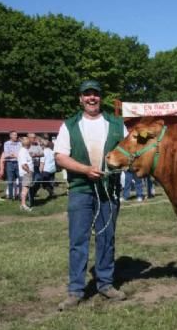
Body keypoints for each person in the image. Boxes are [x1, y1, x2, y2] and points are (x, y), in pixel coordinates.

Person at [54, 80, 128, 311]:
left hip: (109, 190)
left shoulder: (117, 124)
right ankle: (76, 290)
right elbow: (60, 157)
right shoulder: (69, 125)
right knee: (78, 240)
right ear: (80, 98)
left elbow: (128, 152)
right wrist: (86, 169)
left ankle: (105, 284)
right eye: (87, 94)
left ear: (100, 97)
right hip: (80, 190)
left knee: (106, 239)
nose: (91, 98)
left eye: (95, 94)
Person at [3, 131, 21, 200]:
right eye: (14, 135)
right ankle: (10, 197)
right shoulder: (6, 143)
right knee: (10, 181)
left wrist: (13, 155)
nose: (16, 136)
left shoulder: (19, 143)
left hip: (18, 163)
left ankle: (20, 196)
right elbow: (6, 155)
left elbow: (20, 154)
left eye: (16, 135)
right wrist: (14, 155)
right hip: (10, 163)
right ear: (10, 136)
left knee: (20, 180)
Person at [17, 137, 34, 211]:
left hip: (26, 173)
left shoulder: (25, 151)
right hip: (26, 173)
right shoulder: (23, 151)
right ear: (28, 144)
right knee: (25, 189)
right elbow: (24, 164)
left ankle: (22, 204)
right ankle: (23, 204)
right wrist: (29, 171)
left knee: (25, 189)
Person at [27, 133, 44, 206]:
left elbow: (42, 154)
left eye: (35, 137)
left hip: (36, 167)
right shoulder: (26, 146)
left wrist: (36, 155)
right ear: (29, 138)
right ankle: (30, 200)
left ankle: (32, 195)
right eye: (33, 137)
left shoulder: (37, 146)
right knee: (30, 183)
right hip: (29, 167)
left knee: (39, 180)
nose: (34, 139)